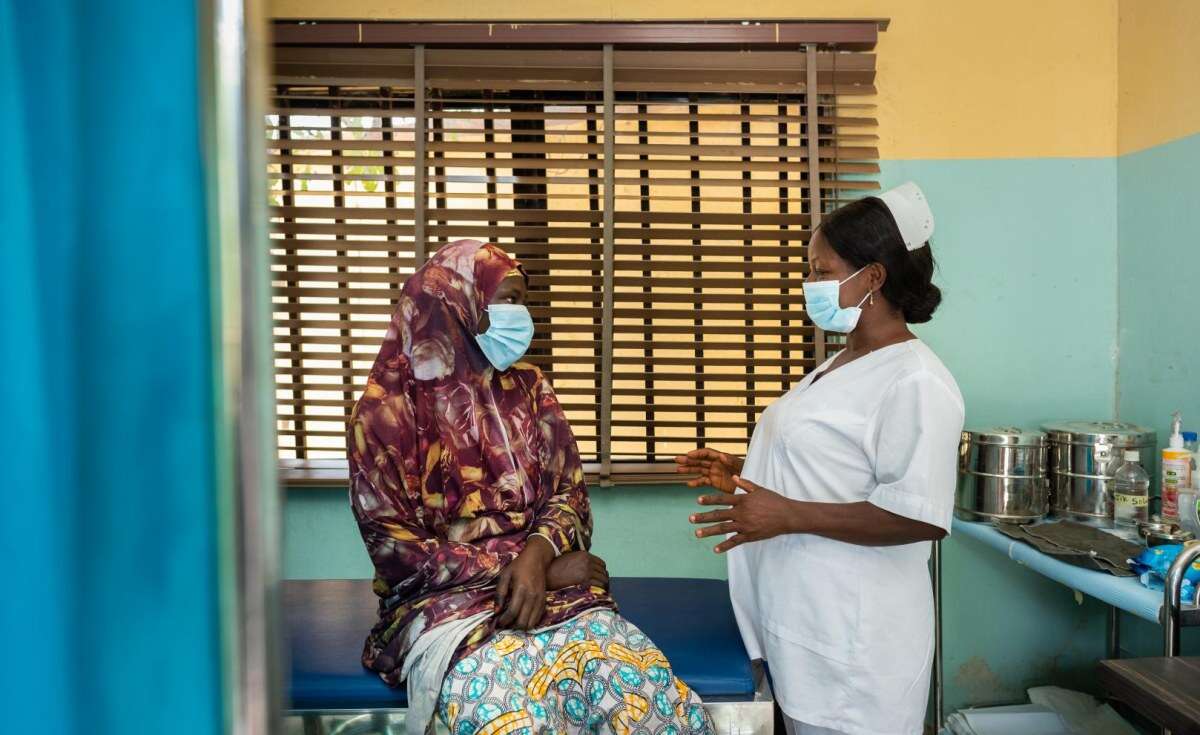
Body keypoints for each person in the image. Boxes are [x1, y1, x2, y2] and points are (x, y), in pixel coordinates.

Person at [348, 239, 713, 735]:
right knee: (510, 716)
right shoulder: (384, 414)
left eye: (523, 300)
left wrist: (537, 557)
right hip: (445, 613)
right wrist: (543, 570)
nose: (521, 313)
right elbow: (399, 554)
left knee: (646, 698)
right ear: (459, 304)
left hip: (557, 597)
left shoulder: (529, 388)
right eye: (508, 299)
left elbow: (569, 494)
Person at [677, 183, 965, 735]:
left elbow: (922, 514)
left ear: (873, 278)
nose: (809, 285)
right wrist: (743, 468)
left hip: (857, 654)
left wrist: (789, 515)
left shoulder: (917, 381)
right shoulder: (840, 365)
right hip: (807, 630)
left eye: (821, 270)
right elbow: (829, 463)